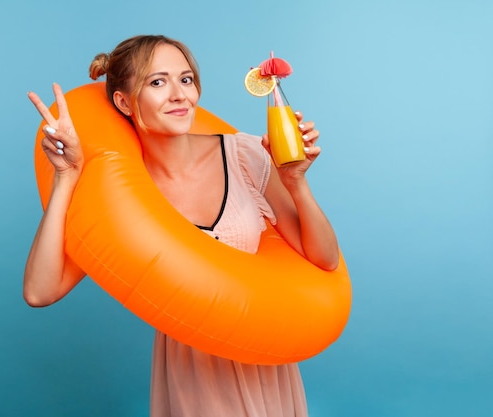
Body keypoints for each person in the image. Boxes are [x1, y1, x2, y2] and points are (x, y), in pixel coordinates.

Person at [24, 34, 339, 417]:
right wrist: (66, 178)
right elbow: (41, 292)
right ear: (124, 101)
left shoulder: (244, 154)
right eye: (157, 82)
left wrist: (295, 182)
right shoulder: (119, 199)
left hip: (266, 363)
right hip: (194, 379)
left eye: (186, 79)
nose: (179, 95)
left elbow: (324, 260)